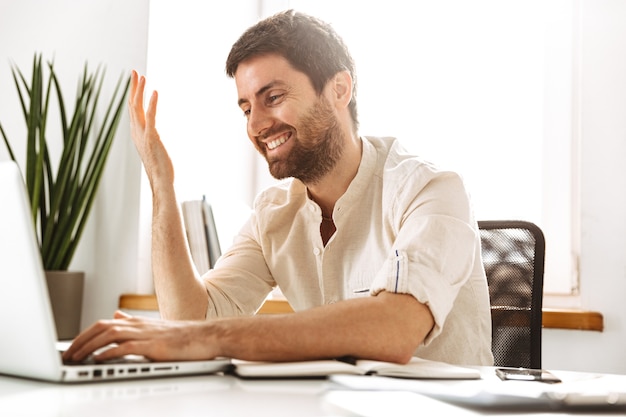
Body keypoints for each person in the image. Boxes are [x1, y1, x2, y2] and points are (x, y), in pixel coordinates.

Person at [64, 10, 493, 366]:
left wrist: (211, 338)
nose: (255, 125)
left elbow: (394, 329)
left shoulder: (430, 189)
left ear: (339, 89)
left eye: (272, 97)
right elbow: (189, 321)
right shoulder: (275, 213)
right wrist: (161, 183)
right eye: (246, 107)